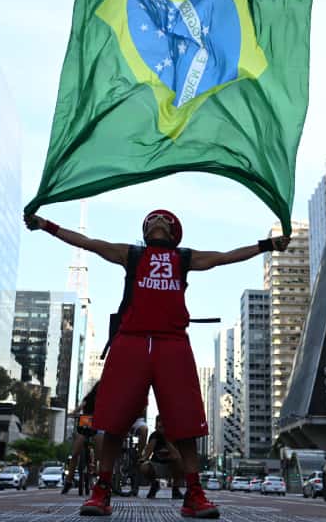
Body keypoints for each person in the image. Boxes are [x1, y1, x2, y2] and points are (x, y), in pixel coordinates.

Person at [27, 209, 288, 518]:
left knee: (185, 424)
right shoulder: (132, 254)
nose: (159, 221)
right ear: (145, 230)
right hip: (132, 340)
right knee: (114, 421)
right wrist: (46, 225)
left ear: (174, 233)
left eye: (165, 219)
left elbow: (225, 257)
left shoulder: (184, 257)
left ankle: (194, 494)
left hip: (172, 342)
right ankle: (102, 490)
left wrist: (268, 245)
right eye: (153, 219)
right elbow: (88, 242)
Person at [141, 416, 184, 500]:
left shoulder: (174, 435)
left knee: (180, 461)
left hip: (171, 467)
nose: (160, 424)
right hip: (157, 465)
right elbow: (146, 455)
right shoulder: (154, 436)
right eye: (158, 422)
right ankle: (154, 485)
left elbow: (176, 455)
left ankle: (175, 489)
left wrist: (165, 438)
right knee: (144, 467)